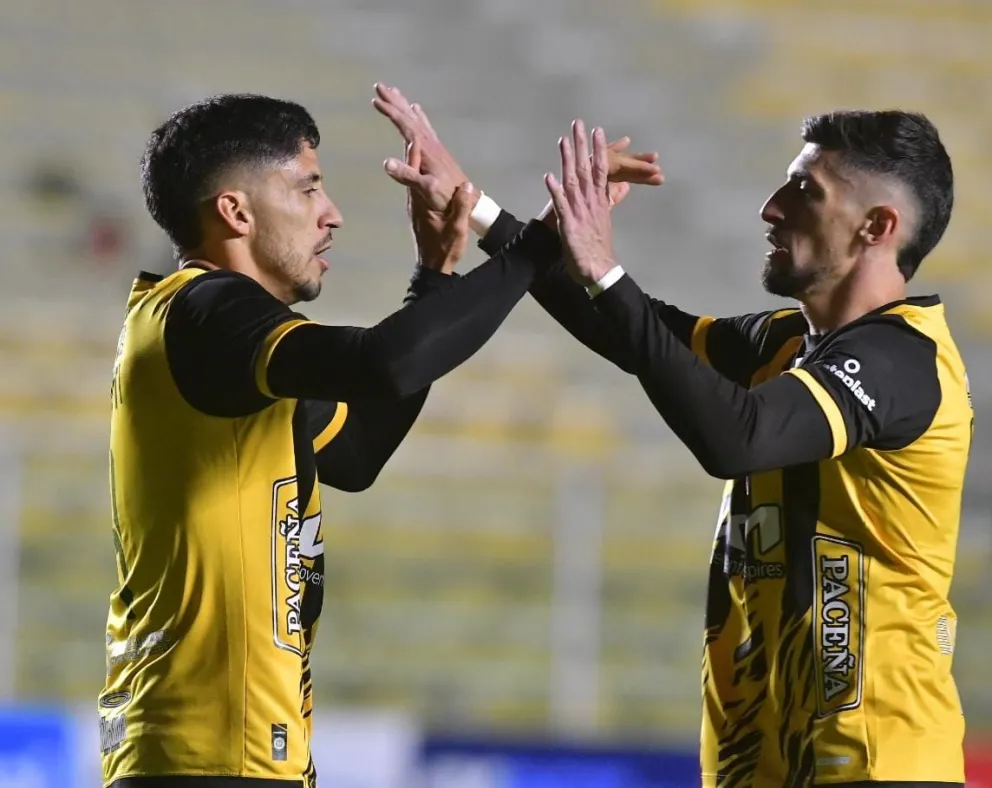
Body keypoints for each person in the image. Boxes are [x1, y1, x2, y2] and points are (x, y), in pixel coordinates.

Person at [375, 87, 972, 787]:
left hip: (876, 764)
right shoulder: (786, 342)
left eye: (804, 190)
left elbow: (738, 439)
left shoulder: (902, 360)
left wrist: (605, 269)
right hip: (764, 762)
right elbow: (634, 331)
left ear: (877, 227)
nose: (771, 207)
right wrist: (474, 208)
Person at [99, 91, 577, 788]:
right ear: (235, 211)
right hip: (207, 760)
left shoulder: (230, 348)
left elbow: (356, 452)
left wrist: (436, 277)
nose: (333, 214)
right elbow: (385, 362)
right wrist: (537, 244)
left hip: (230, 758)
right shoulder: (208, 314)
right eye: (308, 187)